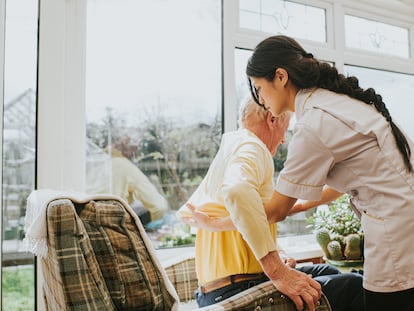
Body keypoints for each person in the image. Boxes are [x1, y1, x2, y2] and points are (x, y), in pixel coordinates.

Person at [243, 35, 414, 311]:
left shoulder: (314, 122)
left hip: (397, 233)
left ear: (280, 76)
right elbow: (341, 186)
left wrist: (226, 214)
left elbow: (275, 211)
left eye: (259, 87)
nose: (260, 99)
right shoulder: (332, 103)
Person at [177, 99, 363, 311]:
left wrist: (350, 181)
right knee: (354, 286)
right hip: (236, 292)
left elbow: (271, 211)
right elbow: (237, 191)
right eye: (286, 128)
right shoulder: (253, 147)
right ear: (272, 118)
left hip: (218, 290)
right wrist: (277, 270)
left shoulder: (233, 146)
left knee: (328, 271)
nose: (284, 139)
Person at [107, 147, 169, 225]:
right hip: (115, 225)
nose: (136, 152)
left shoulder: (94, 161)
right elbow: (159, 207)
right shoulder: (125, 166)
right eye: (135, 148)